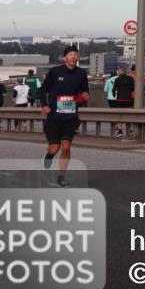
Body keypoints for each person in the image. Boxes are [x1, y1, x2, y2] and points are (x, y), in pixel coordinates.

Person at [39, 46, 89, 188]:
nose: (73, 57)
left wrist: (85, 94)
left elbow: (85, 89)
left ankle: (61, 177)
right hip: (54, 115)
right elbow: (43, 90)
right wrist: (44, 105)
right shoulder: (55, 72)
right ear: (65, 57)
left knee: (66, 147)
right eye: (70, 54)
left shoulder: (81, 73)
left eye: (75, 54)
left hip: (71, 116)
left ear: (78, 57)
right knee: (55, 148)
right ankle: (49, 155)